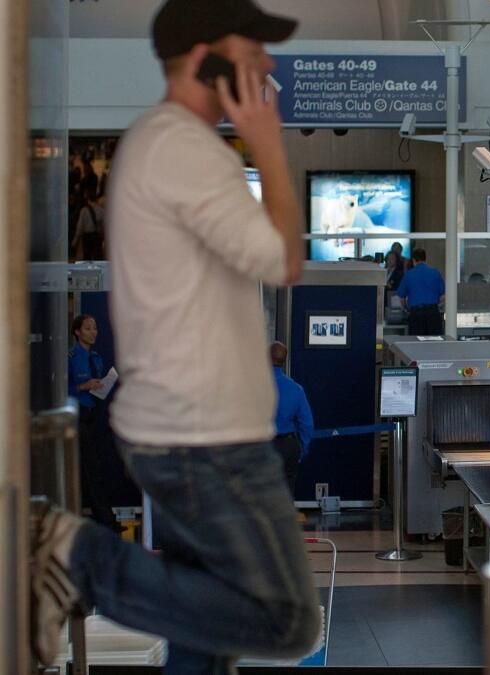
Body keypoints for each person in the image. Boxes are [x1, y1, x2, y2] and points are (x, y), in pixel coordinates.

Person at [28, 1, 321, 670]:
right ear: (203, 57)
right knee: (287, 618)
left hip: (187, 427)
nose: (267, 67)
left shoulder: (167, 146)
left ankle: (72, 554)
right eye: (252, 54)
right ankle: (76, 554)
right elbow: (284, 259)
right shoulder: (183, 148)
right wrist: (270, 143)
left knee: (206, 641)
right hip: (205, 436)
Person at [66, 314, 121, 532]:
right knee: (91, 468)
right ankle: (106, 521)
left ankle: (95, 517)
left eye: (95, 328)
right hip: (77, 414)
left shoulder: (96, 358)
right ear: (77, 332)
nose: (93, 332)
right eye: (88, 328)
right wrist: (83, 387)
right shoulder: (70, 357)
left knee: (92, 466)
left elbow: (96, 386)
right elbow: (60, 388)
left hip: (93, 414)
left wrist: (101, 385)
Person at [270, 342, 313, 496]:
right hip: (288, 446)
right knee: (286, 493)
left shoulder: (254, 387)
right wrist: (302, 449)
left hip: (262, 446)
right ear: (284, 361)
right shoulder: (296, 389)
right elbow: (306, 424)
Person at [397, 248, 446, 336]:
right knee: (435, 342)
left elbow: (401, 298)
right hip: (433, 313)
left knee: (416, 343)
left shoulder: (408, 275)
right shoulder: (435, 273)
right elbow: (443, 297)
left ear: (413, 260)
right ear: (425, 259)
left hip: (416, 314)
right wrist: (436, 306)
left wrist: (406, 309)